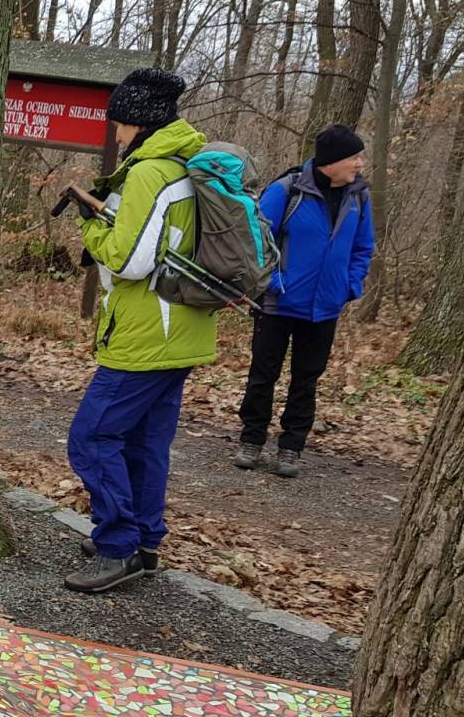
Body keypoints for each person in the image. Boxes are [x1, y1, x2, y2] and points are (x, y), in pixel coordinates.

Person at [63, 67, 215, 594]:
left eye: (121, 123)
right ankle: (146, 542)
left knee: (92, 437)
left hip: (148, 332)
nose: (117, 132)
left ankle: (118, 545)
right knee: (146, 442)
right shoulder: (188, 165)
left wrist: (89, 227)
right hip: (183, 330)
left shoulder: (151, 173)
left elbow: (130, 261)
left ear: (140, 122)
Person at [234, 126, 374, 479]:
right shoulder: (287, 190)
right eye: (355, 157)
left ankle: (291, 447)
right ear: (332, 161)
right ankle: (251, 440)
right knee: (263, 375)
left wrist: (349, 286)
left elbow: (363, 247)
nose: (361, 163)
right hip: (276, 304)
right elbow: (255, 240)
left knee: (306, 380)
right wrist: (272, 282)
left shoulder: (359, 197)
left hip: (324, 308)